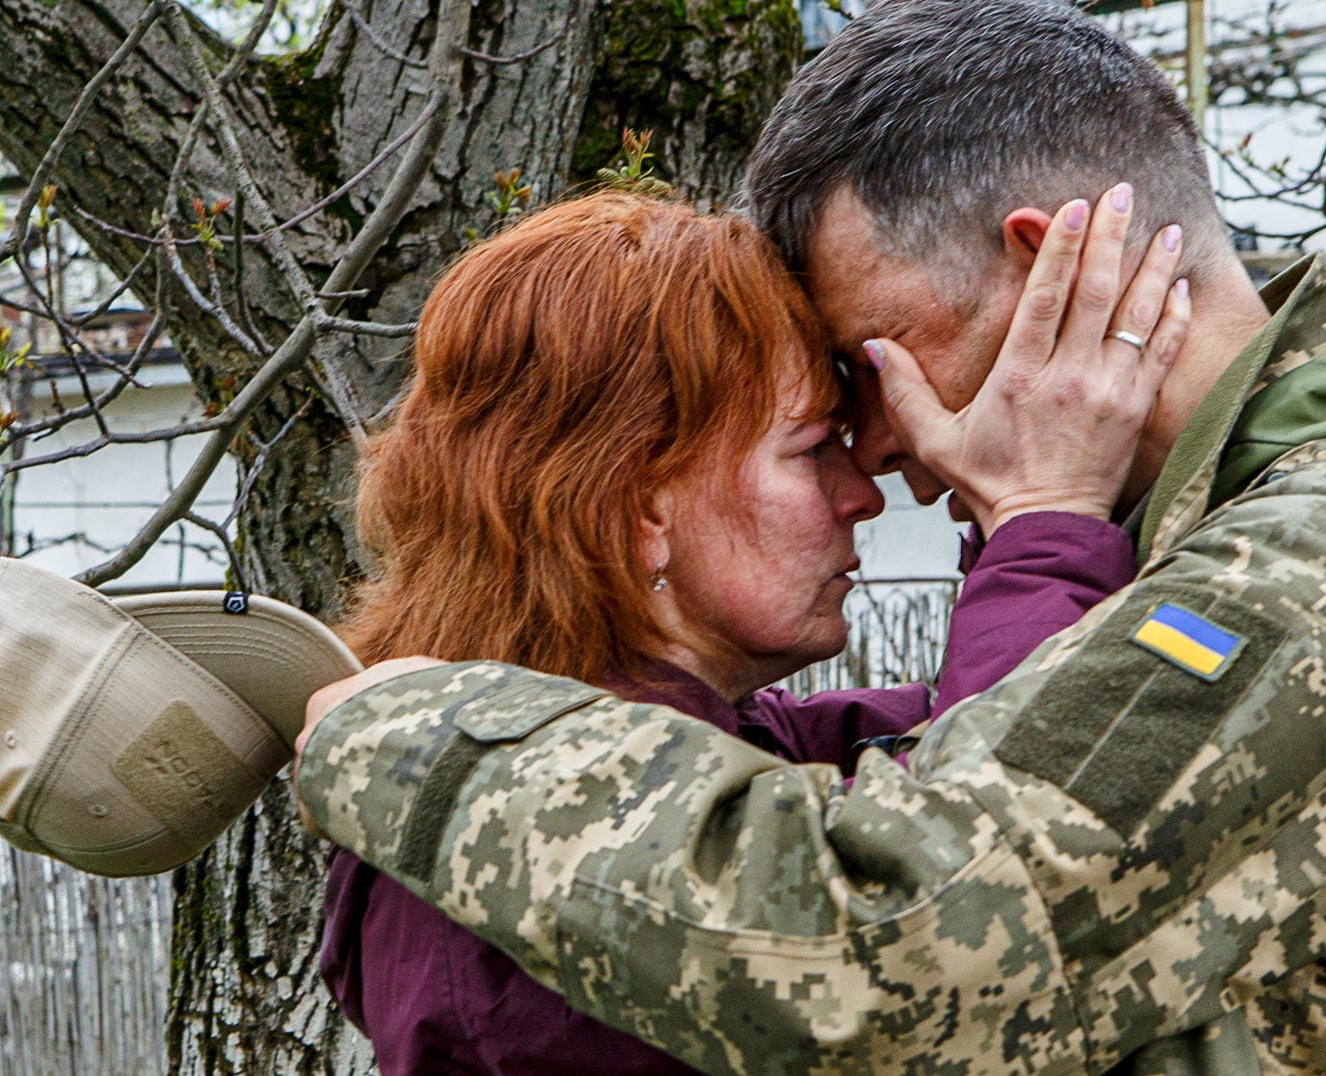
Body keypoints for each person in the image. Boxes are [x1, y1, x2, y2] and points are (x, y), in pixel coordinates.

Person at [296, 0, 1326, 1071]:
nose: (884, 457)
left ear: (1041, 268)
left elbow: (900, 947)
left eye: (877, 363)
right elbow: (902, 779)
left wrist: (397, 734)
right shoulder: (1257, 535)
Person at [316, 189, 1189, 1073]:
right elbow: (960, 926)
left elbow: (956, 752)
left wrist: (1026, 513)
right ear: (640, 507)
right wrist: (1043, 521)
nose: (864, 492)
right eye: (812, 447)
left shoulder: (661, 760)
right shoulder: (557, 860)